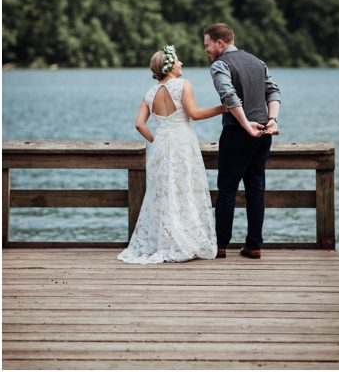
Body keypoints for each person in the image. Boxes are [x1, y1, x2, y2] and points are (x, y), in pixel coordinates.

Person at [119, 45, 226, 264]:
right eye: (177, 61)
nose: (181, 64)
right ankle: (184, 240)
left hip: (162, 143)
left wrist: (156, 139)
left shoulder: (149, 93)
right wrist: (222, 108)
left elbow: (139, 124)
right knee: (185, 188)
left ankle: (165, 241)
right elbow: (194, 114)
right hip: (183, 142)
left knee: (163, 191)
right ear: (168, 66)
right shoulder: (183, 85)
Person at [203, 23, 281, 259]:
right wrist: (273, 120)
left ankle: (221, 246)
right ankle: (254, 245)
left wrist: (245, 124)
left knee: (227, 189)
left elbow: (228, 95)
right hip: (264, 133)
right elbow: (273, 91)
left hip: (238, 133)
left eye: (207, 45)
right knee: (256, 189)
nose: (205, 50)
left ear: (220, 43)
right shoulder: (258, 62)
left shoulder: (220, 65)